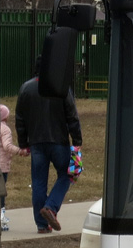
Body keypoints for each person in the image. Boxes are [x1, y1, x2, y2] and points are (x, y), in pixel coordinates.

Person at [15, 64, 83, 234]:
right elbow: (72, 116)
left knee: (38, 182)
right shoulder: (61, 87)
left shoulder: (26, 88)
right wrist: (76, 140)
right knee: (67, 174)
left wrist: (23, 143)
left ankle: (42, 225)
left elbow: (20, 119)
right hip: (59, 141)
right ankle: (51, 208)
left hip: (37, 143)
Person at [0, 103, 28, 231]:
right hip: (2, 165)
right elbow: (7, 146)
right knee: (1, 192)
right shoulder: (5, 129)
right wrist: (20, 151)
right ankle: (0, 217)